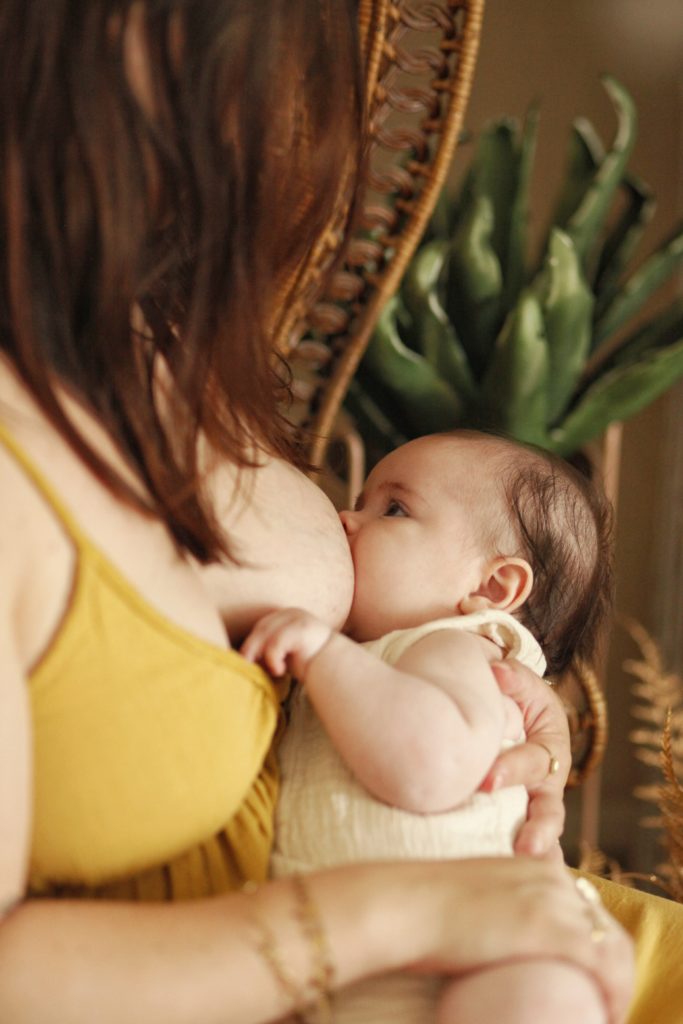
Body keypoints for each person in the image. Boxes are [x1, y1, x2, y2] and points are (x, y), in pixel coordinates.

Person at [0, 1, 669, 1022]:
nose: (273, 135)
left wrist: (523, 718)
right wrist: (406, 912)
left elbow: (427, 701)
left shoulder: (174, 343)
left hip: (520, 926)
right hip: (394, 958)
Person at [242, 429, 614, 1023]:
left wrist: (320, 654)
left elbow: (429, 770)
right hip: (350, 965)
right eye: (361, 500)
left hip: (469, 964)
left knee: (543, 997)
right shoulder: (374, 656)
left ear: (491, 588)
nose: (346, 518)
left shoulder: (452, 649)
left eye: (393, 508)